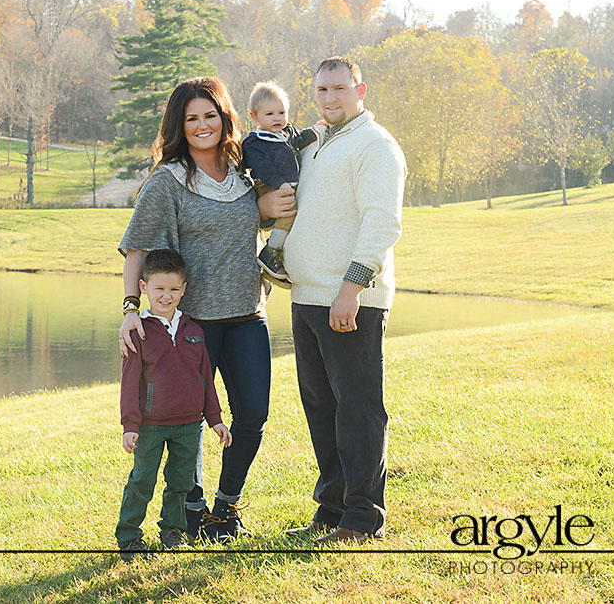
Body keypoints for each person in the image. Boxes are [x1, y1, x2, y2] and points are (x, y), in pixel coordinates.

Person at [118, 76, 281, 542]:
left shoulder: (244, 175)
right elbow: (137, 251)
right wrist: (132, 308)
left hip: (248, 316)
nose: (202, 124)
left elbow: (269, 210)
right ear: (179, 126)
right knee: (185, 419)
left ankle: (225, 509)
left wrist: (268, 203)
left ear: (224, 117)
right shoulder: (166, 183)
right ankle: (193, 508)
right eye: (192, 118)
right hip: (189, 326)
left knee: (251, 415)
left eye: (210, 115)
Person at [279, 56, 406, 544]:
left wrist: (351, 289)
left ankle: (361, 517)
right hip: (307, 298)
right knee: (321, 407)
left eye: (338, 88)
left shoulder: (376, 147)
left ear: (360, 89)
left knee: (356, 408)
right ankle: (330, 510)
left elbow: (382, 224)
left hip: (350, 300)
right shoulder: (315, 145)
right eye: (320, 90)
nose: (329, 98)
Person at [116, 249, 232, 561]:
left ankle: (173, 531)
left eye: (173, 289)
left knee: (181, 482)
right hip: (151, 424)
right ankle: (129, 539)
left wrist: (215, 420)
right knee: (142, 480)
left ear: (183, 289)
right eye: (159, 289)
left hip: (188, 426)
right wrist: (130, 425)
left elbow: (206, 378)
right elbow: (129, 384)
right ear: (144, 288)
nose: (166, 296)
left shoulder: (194, 330)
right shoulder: (137, 332)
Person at [241, 82, 316, 286]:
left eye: (282, 112)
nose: (277, 118)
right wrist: (280, 183)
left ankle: (281, 255)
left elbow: (298, 142)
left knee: (297, 216)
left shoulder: (286, 133)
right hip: (268, 185)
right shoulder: (255, 142)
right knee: (288, 212)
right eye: (270, 114)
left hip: (287, 185)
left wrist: (315, 132)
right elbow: (263, 168)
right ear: (255, 116)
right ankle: (270, 252)